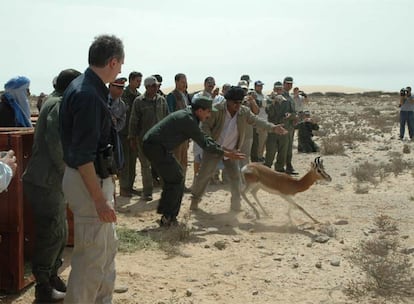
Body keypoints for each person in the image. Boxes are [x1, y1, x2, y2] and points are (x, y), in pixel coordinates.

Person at [59, 34, 124, 304]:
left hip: (94, 180)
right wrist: (99, 201)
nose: (121, 70)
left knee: (106, 251)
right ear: (112, 61)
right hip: (89, 183)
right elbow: (83, 156)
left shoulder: (91, 87)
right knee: (91, 260)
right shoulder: (87, 94)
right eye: (120, 64)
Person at [22, 69, 81, 303]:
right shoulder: (58, 104)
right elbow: (56, 144)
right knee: (52, 233)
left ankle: (52, 277)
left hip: (50, 180)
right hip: (46, 180)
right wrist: (68, 171)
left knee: (60, 232)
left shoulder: (57, 101)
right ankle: (43, 286)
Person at [143, 96, 245, 227]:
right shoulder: (188, 120)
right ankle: (168, 218)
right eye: (208, 112)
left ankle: (167, 215)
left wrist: (223, 150)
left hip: (157, 146)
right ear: (200, 110)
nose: (209, 116)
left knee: (176, 177)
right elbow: (204, 143)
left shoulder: (190, 116)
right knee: (176, 179)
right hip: (155, 147)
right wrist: (226, 153)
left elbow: (204, 138)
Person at [190, 86, 288, 212]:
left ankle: (236, 206)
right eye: (235, 102)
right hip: (215, 149)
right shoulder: (216, 110)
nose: (237, 105)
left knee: (236, 178)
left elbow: (256, 121)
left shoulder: (244, 112)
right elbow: (205, 127)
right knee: (204, 175)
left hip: (232, 151)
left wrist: (273, 128)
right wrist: (211, 144)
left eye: (240, 102)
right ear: (227, 101)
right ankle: (195, 201)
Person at [129, 76, 169, 201]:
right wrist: (132, 138)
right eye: (154, 85)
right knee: (145, 167)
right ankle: (147, 192)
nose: (157, 87)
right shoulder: (139, 101)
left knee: (161, 165)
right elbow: (133, 121)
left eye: (157, 85)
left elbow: (168, 118)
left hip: (160, 140)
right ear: (148, 87)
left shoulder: (162, 100)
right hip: (144, 141)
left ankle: (166, 191)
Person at [166, 73, 192, 191]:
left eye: (185, 81)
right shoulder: (172, 96)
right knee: (176, 161)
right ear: (176, 82)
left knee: (184, 161)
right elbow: (170, 114)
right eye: (182, 81)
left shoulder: (185, 95)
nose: (184, 84)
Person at [119, 71, 142, 197]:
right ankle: (123, 187)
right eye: (137, 81)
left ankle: (130, 186)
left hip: (134, 133)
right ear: (131, 80)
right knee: (125, 162)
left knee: (133, 161)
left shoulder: (139, 96)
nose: (139, 83)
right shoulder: (123, 94)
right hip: (124, 132)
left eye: (140, 81)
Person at [264, 81, 296, 172]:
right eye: (277, 89)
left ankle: (280, 168)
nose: (278, 91)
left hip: (284, 129)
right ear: (274, 90)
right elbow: (269, 112)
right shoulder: (269, 100)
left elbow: (294, 113)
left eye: (280, 89)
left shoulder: (287, 101)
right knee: (270, 151)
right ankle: (267, 169)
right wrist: (274, 102)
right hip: (273, 128)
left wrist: (290, 115)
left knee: (283, 151)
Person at [282, 76, 298, 175]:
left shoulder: (290, 98)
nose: (289, 85)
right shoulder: (282, 96)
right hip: (284, 126)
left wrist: (295, 117)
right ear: (284, 84)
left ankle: (288, 165)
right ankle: (280, 166)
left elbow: (293, 111)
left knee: (289, 147)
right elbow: (284, 113)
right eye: (287, 83)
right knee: (283, 147)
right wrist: (293, 116)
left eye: (290, 84)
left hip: (290, 126)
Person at [251, 80, 267, 162]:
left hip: (264, 120)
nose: (260, 87)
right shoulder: (254, 95)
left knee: (263, 140)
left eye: (261, 86)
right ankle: (257, 156)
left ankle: (260, 155)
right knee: (258, 141)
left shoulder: (263, 95)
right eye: (258, 86)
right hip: (258, 121)